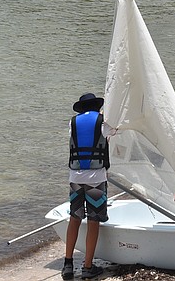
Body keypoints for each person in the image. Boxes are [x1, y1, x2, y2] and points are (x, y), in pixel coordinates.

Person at [62, 93, 109, 280]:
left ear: (81, 108)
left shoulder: (72, 123)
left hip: (75, 177)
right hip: (96, 178)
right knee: (93, 220)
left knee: (74, 218)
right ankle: (88, 267)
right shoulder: (103, 122)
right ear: (97, 107)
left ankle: (67, 264)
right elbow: (114, 132)